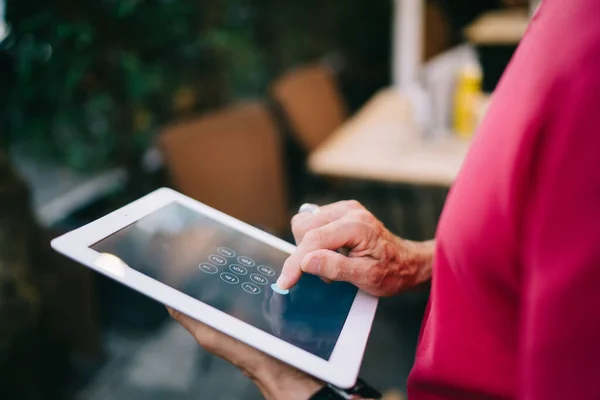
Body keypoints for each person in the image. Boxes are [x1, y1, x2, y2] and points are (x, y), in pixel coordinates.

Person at [168, 1, 600, 398]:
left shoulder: (587, 59)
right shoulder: (566, 23)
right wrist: (419, 259)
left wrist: (286, 380)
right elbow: (522, 244)